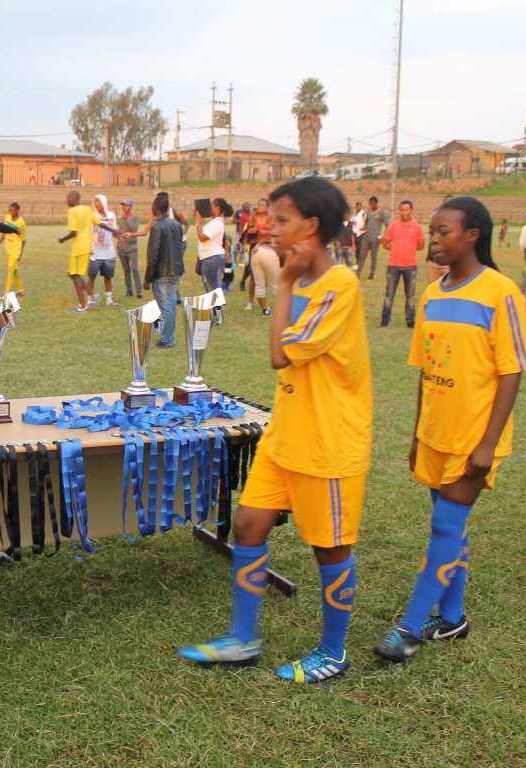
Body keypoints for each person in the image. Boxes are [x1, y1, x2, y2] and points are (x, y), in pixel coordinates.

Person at [178, 177, 372, 685]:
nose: (270, 228)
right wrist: (289, 281)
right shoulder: (302, 280)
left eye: (282, 220)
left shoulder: (339, 286)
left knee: (330, 548)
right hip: (286, 433)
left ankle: (333, 652)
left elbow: (280, 354)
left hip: (329, 441)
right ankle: (242, 639)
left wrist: (284, 283)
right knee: (247, 526)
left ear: (312, 226)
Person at [374, 197, 526, 664]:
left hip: (474, 437)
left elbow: (511, 371)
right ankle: (453, 617)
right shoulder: (432, 295)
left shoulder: (501, 292)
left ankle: (409, 628)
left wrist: (488, 442)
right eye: (433, 231)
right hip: (435, 433)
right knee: (452, 527)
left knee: (445, 524)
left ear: (472, 236)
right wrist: (416, 435)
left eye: (444, 232)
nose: (435, 240)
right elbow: (426, 371)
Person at [142, 193, 184, 349]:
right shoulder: (176, 224)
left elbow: (153, 255)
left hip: (163, 272)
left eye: (152, 206)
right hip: (176, 270)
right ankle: (168, 337)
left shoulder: (157, 226)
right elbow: (179, 247)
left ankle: (166, 339)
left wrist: (148, 279)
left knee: (166, 307)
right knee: (171, 305)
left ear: (156, 208)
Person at [58, 190, 107, 312]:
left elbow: (74, 232)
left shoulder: (72, 211)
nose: (67, 200)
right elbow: (99, 223)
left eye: (69, 198)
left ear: (74, 198)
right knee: (72, 274)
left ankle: (83, 305)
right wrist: (114, 230)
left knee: (75, 275)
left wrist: (62, 239)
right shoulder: (87, 209)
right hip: (86, 247)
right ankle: (91, 295)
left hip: (79, 248)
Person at [379, 200, 425, 328]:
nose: (404, 212)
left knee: (410, 295)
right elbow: (385, 243)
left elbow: (421, 245)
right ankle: (384, 321)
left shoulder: (417, 227)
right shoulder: (393, 226)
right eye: (402, 209)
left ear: (411, 210)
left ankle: (410, 322)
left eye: (407, 209)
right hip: (393, 265)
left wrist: (409, 249)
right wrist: (395, 248)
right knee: (389, 295)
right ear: (400, 210)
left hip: (410, 266)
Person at [193, 199, 232, 322]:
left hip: (213, 257)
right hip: (208, 257)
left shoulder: (217, 223)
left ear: (217, 207)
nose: (209, 207)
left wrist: (198, 222)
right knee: (210, 288)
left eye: (212, 205)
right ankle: (214, 314)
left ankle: (218, 316)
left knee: (214, 288)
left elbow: (202, 237)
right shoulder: (214, 222)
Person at [85, 194, 120, 307]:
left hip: (109, 252)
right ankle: (90, 300)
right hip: (96, 252)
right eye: (95, 201)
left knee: (108, 277)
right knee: (92, 276)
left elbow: (114, 231)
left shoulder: (112, 215)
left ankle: (109, 300)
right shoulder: (92, 215)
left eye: (98, 201)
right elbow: (88, 232)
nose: (96, 204)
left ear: (104, 202)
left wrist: (121, 238)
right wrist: (89, 248)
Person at [249, 198, 280, 317]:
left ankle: (279, 308)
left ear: (267, 206)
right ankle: (265, 309)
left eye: (263, 205)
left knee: (273, 282)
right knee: (261, 282)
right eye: (259, 204)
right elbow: (247, 232)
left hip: (264, 247)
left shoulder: (271, 217)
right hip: (257, 249)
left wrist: (260, 231)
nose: (260, 207)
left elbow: (275, 232)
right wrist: (258, 231)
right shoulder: (253, 217)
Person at [358, 195, 389, 280]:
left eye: (372, 204)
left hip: (375, 237)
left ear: (376, 203)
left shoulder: (381, 212)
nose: (371, 205)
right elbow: (366, 221)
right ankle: (358, 273)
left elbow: (388, 224)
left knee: (373, 257)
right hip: (367, 235)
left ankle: (371, 274)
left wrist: (384, 236)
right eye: (370, 204)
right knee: (362, 255)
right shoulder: (369, 211)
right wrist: (364, 227)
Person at [0, 202, 26, 296]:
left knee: (10, 268)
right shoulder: (7, 218)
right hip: (8, 247)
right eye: (9, 210)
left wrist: (20, 254)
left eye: (12, 211)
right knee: (14, 269)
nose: (10, 212)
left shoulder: (21, 223)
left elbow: (23, 240)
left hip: (16, 248)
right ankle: (20, 290)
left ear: (18, 211)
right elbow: (4, 232)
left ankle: (7, 290)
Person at [117, 199, 143, 298]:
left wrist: (127, 219)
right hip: (122, 246)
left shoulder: (135, 217)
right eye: (123, 205)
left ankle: (139, 291)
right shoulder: (120, 219)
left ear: (130, 207)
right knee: (126, 270)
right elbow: (120, 231)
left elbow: (134, 229)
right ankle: (129, 290)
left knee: (135, 269)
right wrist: (120, 240)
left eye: (126, 205)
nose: (124, 207)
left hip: (132, 245)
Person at [426, 195, 454, 285]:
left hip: (449, 263)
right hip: (433, 261)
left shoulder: (457, 221)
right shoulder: (436, 217)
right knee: (433, 288)